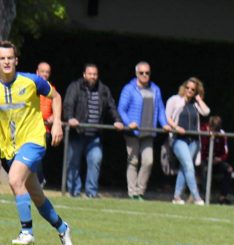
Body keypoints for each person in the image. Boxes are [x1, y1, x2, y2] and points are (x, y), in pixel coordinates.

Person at [1, 42, 72, 245]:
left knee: (15, 179)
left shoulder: (32, 81)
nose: (6, 62)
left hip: (33, 140)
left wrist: (57, 123)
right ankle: (62, 228)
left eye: (9, 58)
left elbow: (56, 96)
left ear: (16, 60)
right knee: (36, 195)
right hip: (8, 149)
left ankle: (27, 231)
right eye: (2, 58)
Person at [64, 63, 123, 198]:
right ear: (84, 74)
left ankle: (91, 192)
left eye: (95, 74)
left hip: (95, 135)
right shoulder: (75, 87)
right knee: (73, 162)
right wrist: (70, 118)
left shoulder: (103, 89)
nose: (93, 77)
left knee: (95, 160)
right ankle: (73, 191)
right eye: (90, 74)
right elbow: (68, 104)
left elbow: (111, 106)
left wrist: (117, 120)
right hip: (78, 132)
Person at [118, 61, 172, 200]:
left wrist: (164, 124)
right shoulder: (129, 89)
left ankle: (140, 191)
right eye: (141, 73)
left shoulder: (155, 89)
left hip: (148, 131)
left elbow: (160, 109)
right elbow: (121, 109)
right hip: (133, 132)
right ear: (136, 74)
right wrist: (129, 123)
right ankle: (132, 192)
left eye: (147, 73)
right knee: (133, 161)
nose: (144, 75)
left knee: (148, 161)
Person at [166, 77, 210, 205]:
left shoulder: (195, 104)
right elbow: (167, 117)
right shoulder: (175, 100)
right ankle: (197, 197)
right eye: (188, 88)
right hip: (179, 139)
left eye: (193, 89)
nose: (189, 91)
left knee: (185, 167)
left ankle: (177, 197)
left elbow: (206, 112)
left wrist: (199, 99)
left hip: (194, 141)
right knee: (189, 166)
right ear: (184, 87)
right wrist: (176, 127)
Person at [200, 115, 233, 204]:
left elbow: (225, 152)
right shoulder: (203, 131)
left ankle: (223, 197)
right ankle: (205, 197)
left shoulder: (222, 134)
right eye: (214, 129)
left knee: (228, 169)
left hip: (216, 161)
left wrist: (219, 159)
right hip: (204, 160)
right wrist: (208, 159)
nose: (215, 132)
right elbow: (201, 149)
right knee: (204, 169)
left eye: (217, 130)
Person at [33, 62, 53, 186]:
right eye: (43, 71)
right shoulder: (30, 86)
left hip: (45, 130)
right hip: (29, 128)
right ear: (37, 72)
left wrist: (54, 117)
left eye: (47, 72)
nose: (45, 74)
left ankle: (39, 180)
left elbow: (57, 106)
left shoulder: (52, 90)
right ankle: (37, 181)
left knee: (36, 156)